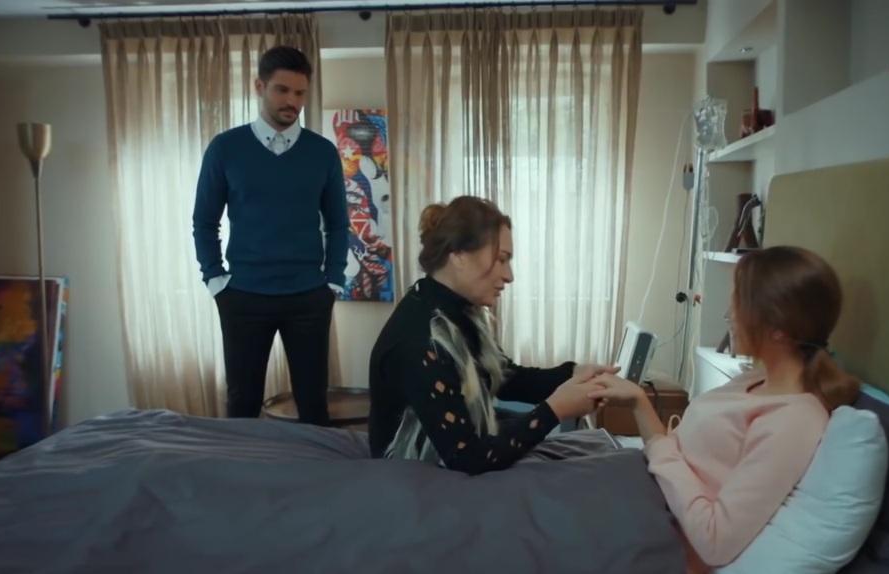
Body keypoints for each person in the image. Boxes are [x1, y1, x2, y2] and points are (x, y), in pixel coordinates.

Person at [587, 246, 860, 573]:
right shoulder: (753, 381)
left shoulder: (794, 419)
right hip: (643, 497)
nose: (728, 315)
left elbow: (714, 541)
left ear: (778, 329)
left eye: (739, 304)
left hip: (658, 542)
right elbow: (672, 456)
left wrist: (652, 427)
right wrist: (636, 400)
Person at [368, 196, 613, 475]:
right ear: (458, 254)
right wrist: (555, 410)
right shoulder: (422, 339)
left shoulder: (456, 311)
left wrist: (572, 374)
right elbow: (468, 457)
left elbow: (505, 378)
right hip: (413, 475)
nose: (509, 275)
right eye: (501, 259)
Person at [192, 46, 349, 425]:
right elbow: (204, 221)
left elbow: (338, 224)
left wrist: (333, 282)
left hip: (309, 296)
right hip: (243, 296)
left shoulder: (323, 152)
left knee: (314, 405)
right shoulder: (225, 148)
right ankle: (244, 466)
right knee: (242, 405)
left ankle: (315, 467)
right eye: (282, 90)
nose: (292, 101)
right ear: (259, 86)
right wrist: (215, 280)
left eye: (300, 93)